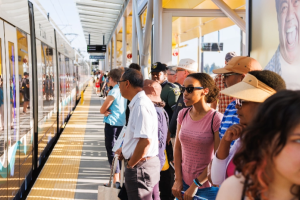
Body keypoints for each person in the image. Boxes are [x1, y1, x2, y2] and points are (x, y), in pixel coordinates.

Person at [216, 90, 300, 200]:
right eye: (298, 141)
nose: (237, 106)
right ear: (265, 141)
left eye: (243, 101)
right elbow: (216, 177)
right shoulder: (236, 190)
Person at [211, 70, 286, 186]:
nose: (236, 105)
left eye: (241, 101)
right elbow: (217, 180)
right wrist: (225, 141)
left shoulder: (280, 144)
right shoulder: (245, 137)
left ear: (264, 104)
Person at [172, 73, 223, 200]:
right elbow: (177, 149)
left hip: (207, 188)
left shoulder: (216, 118)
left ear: (205, 91)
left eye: (189, 89)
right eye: (183, 89)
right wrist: (178, 179)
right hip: (183, 184)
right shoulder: (182, 114)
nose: (185, 93)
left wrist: (196, 184)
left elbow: (218, 158)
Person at [115, 69, 160, 200]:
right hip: (140, 165)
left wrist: (131, 164)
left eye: (120, 82)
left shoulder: (140, 105)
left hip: (140, 167)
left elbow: (145, 141)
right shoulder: (139, 103)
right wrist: (126, 150)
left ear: (127, 83)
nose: (119, 86)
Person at [212, 56, 262, 146]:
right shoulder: (231, 106)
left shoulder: (259, 110)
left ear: (242, 78)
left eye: (226, 75)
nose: (223, 79)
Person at [100, 68, 127, 186]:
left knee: (112, 151)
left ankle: (115, 180)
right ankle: (120, 178)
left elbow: (102, 109)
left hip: (112, 125)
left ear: (111, 78)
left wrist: (104, 111)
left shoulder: (113, 91)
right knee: (119, 150)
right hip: (122, 125)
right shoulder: (123, 90)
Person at [265, 0, 300, 90]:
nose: (289, 16)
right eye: (284, 8)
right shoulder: (265, 79)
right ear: (278, 20)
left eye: (296, 3)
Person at [143, 79, 169, 200]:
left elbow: (154, 140)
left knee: (152, 193)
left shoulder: (154, 111)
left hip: (152, 159)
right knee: (154, 191)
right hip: (157, 159)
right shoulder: (161, 110)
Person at [168, 58, 197, 148]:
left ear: (185, 72)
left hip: (185, 141)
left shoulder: (194, 92)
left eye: (177, 70)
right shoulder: (184, 89)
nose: (175, 74)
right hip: (179, 137)